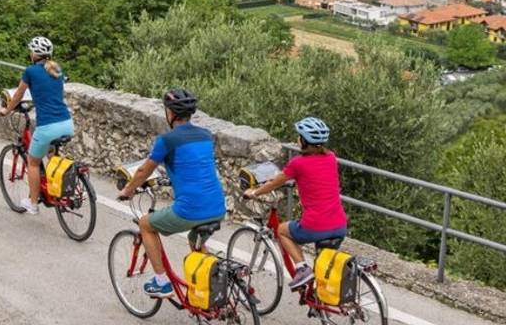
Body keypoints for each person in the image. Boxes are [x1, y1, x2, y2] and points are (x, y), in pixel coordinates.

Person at [117, 88, 227, 297]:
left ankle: (161, 282)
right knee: (196, 239)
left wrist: (127, 190)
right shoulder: (206, 135)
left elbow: (143, 171)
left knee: (146, 224)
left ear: (170, 113)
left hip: (190, 210)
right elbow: (193, 164)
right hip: (218, 206)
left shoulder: (166, 140)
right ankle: (210, 285)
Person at [242, 117, 347, 289]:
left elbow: (276, 182)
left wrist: (254, 192)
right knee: (323, 266)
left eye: (299, 136)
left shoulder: (298, 163)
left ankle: (302, 269)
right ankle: (320, 301)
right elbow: (319, 179)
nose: (297, 139)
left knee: (282, 230)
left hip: (316, 225)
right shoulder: (331, 157)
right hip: (339, 224)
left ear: (304, 141)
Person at [0, 35, 73, 214]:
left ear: (34, 54)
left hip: (48, 125)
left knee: (33, 162)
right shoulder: (57, 69)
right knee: (52, 155)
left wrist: (6, 110)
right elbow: (49, 91)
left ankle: (32, 203)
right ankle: (56, 189)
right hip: (67, 123)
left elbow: (18, 95)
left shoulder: (30, 71)